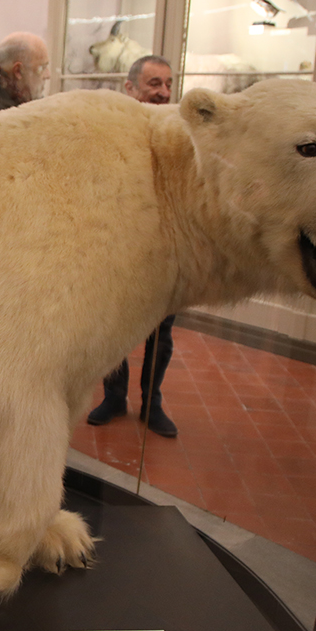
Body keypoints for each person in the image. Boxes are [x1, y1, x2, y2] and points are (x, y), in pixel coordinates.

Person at [86, 54, 179, 437]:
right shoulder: (109, 132)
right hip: (119, 248)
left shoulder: (178, 133)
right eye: (154, 84)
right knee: (115, 329)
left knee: (163, 333)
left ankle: (152, 401)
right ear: (130, 88)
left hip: (165, 250)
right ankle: (114, 397)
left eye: (168, 84)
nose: (163, 92)